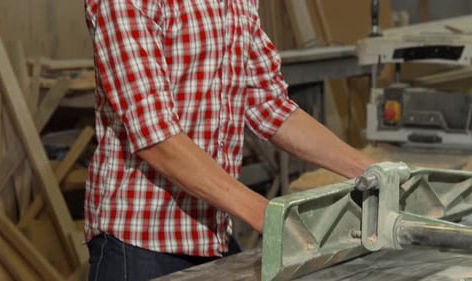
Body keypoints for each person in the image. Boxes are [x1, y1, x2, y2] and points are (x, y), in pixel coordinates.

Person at [83, 0, 375, 280]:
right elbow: (156, 138)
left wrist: (375, 171)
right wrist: (269, 216)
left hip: (213, 234)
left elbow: (269, 104)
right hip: (139, 243)